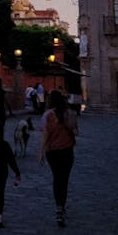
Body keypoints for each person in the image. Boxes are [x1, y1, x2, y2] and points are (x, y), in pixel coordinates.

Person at [40, 90, 79, 227]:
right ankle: (62, 206)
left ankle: (58, 207)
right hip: (67, 151)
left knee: (57, 179)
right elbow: (76, 132)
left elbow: (45, 135)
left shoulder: (47, 115)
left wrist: (41, 152)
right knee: (64, 180)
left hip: (52, 152)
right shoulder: (69, 113)